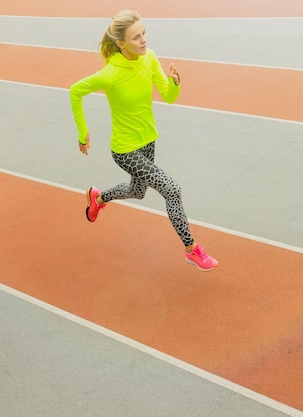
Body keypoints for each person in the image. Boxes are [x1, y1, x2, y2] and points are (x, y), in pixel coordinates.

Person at [69, 9, 218, 271]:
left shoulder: (149, 59)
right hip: (125, 150)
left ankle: (98, 199)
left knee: (137, 192)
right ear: (121, 43)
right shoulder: (110, 74)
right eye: (136, 37)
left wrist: (175, 84)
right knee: (172, 189)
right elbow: (75, 91)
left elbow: (169, 96)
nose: (144, 40)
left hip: (148, 141)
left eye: (144, 33)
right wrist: (83, 133)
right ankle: (192, 249)